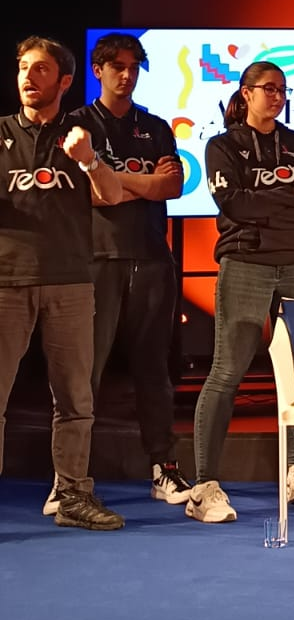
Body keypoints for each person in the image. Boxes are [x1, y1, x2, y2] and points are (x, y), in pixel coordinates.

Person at [187, 61, 294, 523]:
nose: (277, 97)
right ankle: (204, 485)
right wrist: (293, 198)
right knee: (227, 370)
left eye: (282, 90)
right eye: (268, 88)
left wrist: (266, 205)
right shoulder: (222, 145)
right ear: (246, 93)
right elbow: (234, 203)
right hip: (246, 262)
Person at [0, 36, 126, 529]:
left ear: (65, 81)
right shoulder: (2, 133)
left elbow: (112, 195)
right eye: (23, 68)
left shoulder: (83, 134)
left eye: (41, 69)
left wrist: (89, 160)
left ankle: (72, 496)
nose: (29, 77)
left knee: (76, 400)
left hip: (71, 283)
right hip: (7, 282)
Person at [64, 32, 190, 511]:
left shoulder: (154, 127)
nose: (127, 73)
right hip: (95, 260)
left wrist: (112, 179)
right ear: (98, 70)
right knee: (85, 373)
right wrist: (141, 182)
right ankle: (71, 478)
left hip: (153, 259)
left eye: (134, 66)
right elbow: (85, 195)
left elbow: (172, 185)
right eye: (117, 65)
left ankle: (164, 469)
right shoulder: (76, 125)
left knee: (154, 371)